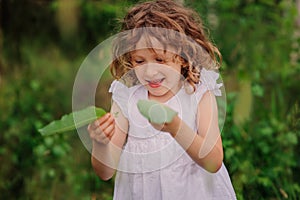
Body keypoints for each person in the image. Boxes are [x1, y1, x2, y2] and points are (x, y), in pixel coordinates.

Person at [87, 0, 236, 199]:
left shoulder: (197, 92)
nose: (149, 71)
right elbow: (105, 172)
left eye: (160, 59)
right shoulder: (127, 97)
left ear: (182, 56)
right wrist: (100, 144)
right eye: (140, 61)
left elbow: (213, 161)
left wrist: (176, 128)